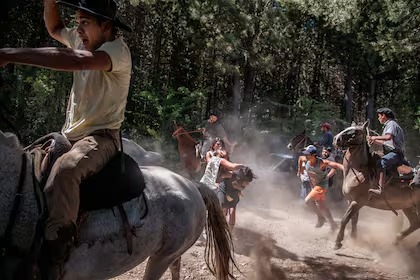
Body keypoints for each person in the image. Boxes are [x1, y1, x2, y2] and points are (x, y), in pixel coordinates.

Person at [0, 0, 132, 278]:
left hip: (102, 137)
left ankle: (54, 257)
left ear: (106, 26)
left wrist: (9, 54)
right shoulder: (82, 39)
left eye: (85, 22)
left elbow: (74, 60)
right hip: (68, 134)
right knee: (25, 165)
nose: (78, 28)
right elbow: (55, 27)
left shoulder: (116, 51)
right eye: (78, 21)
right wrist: (49, 2)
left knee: (66, 170)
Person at [302, 145, 343, 231]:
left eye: (308, 154)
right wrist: (299, 170)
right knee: (322, 206)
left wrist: (344, 168)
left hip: (322, 186)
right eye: (305, 154)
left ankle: (321, 218)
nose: (306, 155)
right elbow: (300, 159)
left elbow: (335, 165)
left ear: (314, 155)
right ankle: (333, 225)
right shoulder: (307, 162)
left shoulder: (321, 162)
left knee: (308, 201)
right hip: (315, 186)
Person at [367, 108, 405, 195]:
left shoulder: (391, 124)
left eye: (379, 116)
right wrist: (373, 141)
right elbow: (386, 143)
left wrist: (374, 137)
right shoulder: (389, 125)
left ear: (384, 115)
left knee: (382, 162)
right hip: (392, 152)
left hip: (396, 154)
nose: (378, 118)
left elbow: (388, 137)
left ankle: (380, 189)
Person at [217, 166, 256, 232]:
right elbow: (220, 175)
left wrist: (238, 192)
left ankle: (230, 232)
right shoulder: (231, 175)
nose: (248, 184)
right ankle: (220, 227)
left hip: (233, 193)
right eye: (247, 182)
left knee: (232, 211)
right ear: (242, 179)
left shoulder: (243, 185)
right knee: (222, 207)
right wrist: (216, 182)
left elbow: (238, 189)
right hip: (223, 189)